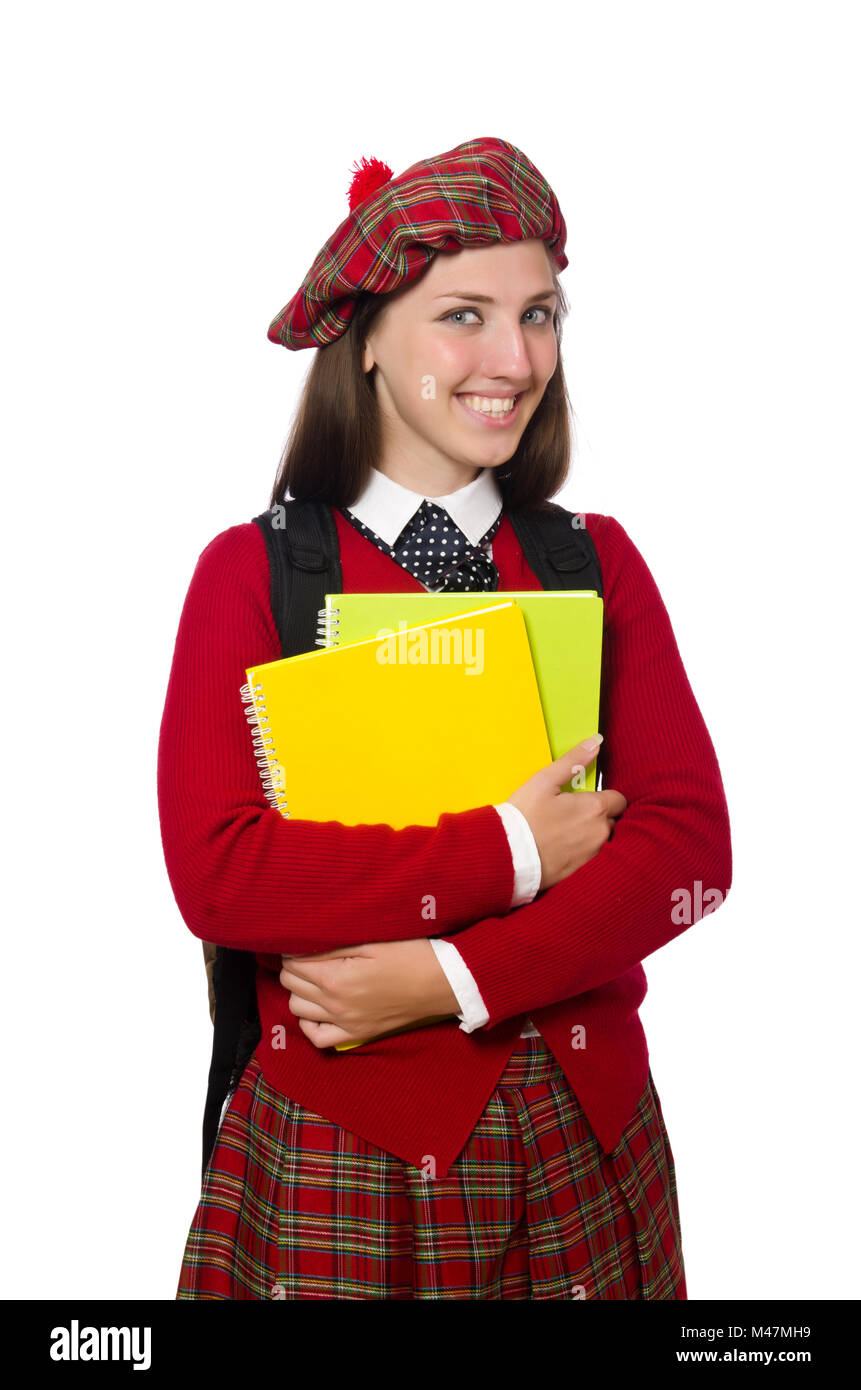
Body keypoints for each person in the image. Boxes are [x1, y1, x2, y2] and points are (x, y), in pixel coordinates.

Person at [157, 135, 733, 1300]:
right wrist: (515, 850)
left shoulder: (595, 562)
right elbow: (222, 875)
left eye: (541, 316)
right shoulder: (253, 576)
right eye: (464, 314)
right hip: (343, 1161)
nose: (515, 359)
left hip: (590, 1143)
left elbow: (691, 853)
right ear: (366, 339)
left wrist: (449, 977)